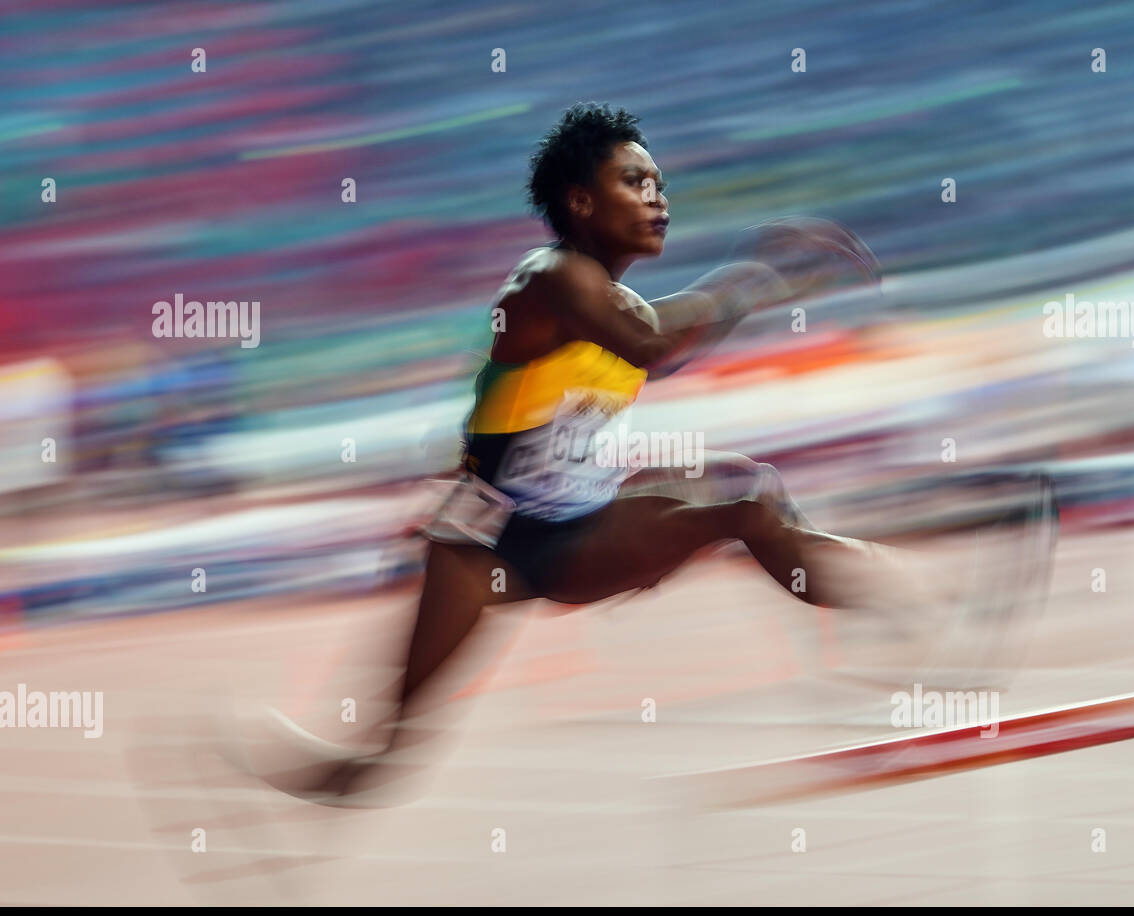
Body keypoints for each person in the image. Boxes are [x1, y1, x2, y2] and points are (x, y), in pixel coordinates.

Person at [266, 102, 1047, 806]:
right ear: (580, 202)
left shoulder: (608, 299)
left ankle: (920, 626)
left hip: (576, 528)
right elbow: (655, 345)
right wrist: (759, 272)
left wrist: (767, 279)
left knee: (747, 496)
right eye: (635, 182)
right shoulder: (549, 278)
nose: (657, 199)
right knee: (377, 764)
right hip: (484, 548)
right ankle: (241, 788)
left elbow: (628, 342)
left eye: (660, 184)